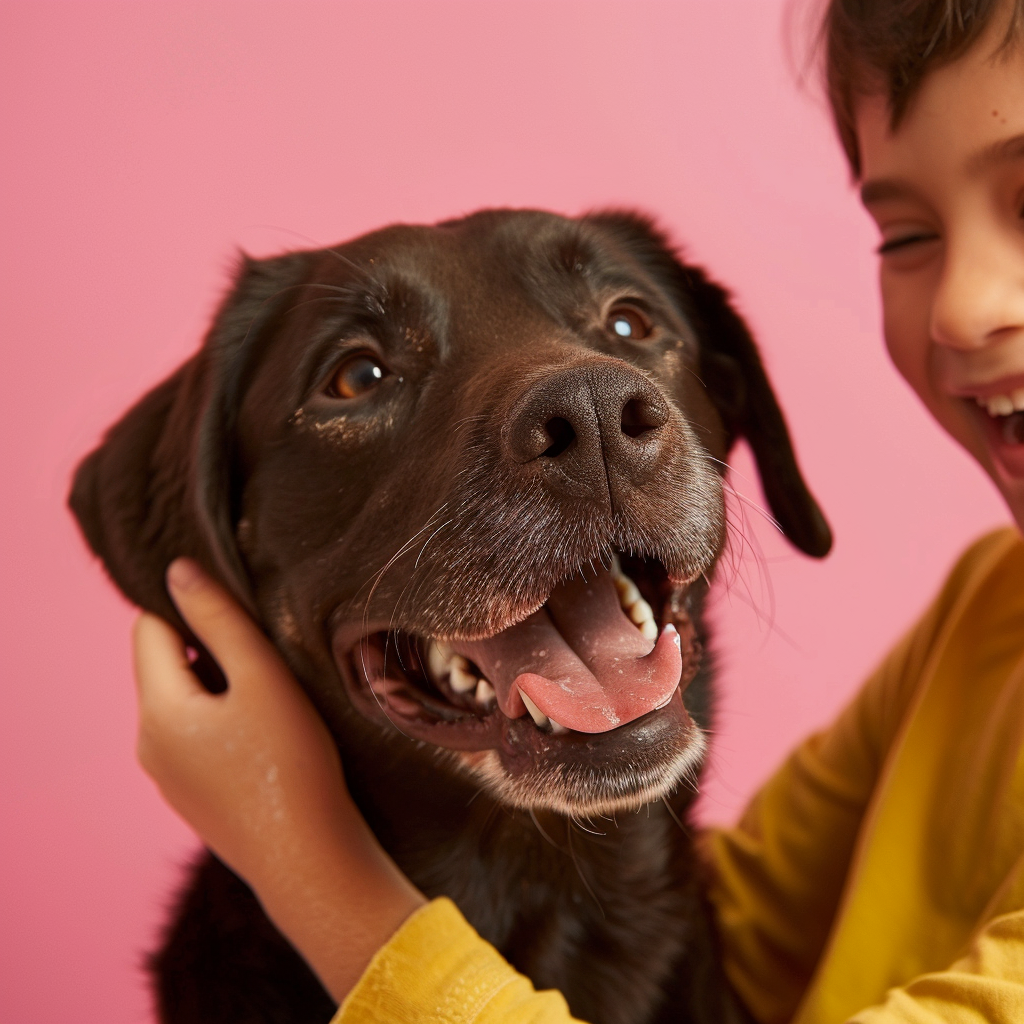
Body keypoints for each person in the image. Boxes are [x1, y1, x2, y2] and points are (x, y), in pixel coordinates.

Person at [131, 0, 1024, 1020]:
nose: (964, 303)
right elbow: (747, 935)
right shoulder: (987, 615)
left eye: (627, 326)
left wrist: (308, 868)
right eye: (360, 374)